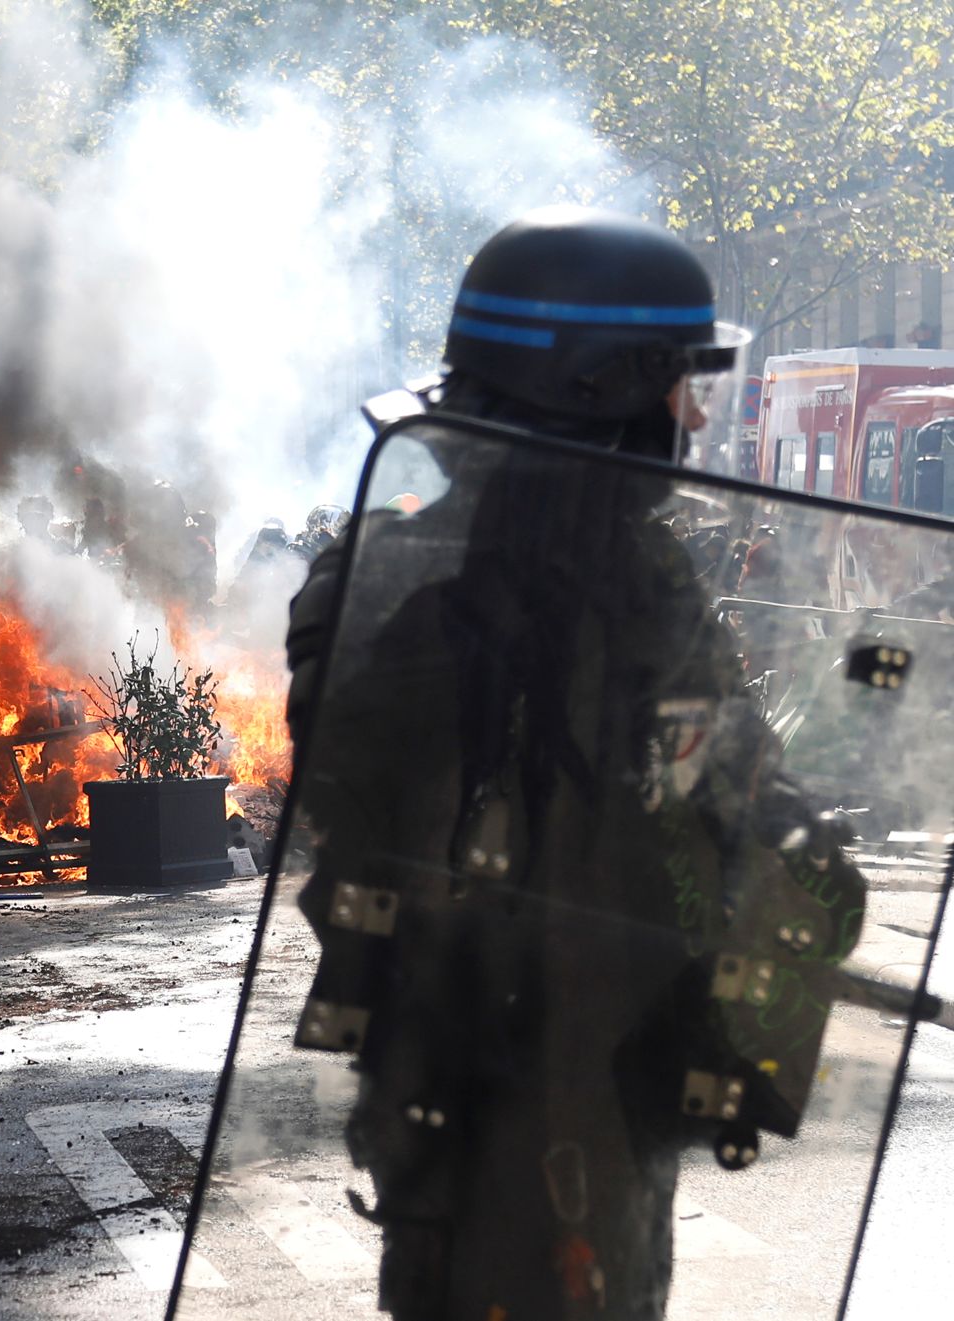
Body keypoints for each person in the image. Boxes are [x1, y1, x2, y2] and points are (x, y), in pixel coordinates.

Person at [279, 208, 859, 1320]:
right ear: (601, 395)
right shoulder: (433, 599)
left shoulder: (613, 588)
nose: (690, 425)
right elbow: (371, 808)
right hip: (495, 1102)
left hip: (569, 1106)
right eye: (676, 390)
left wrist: (786, 890)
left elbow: (727, 799)